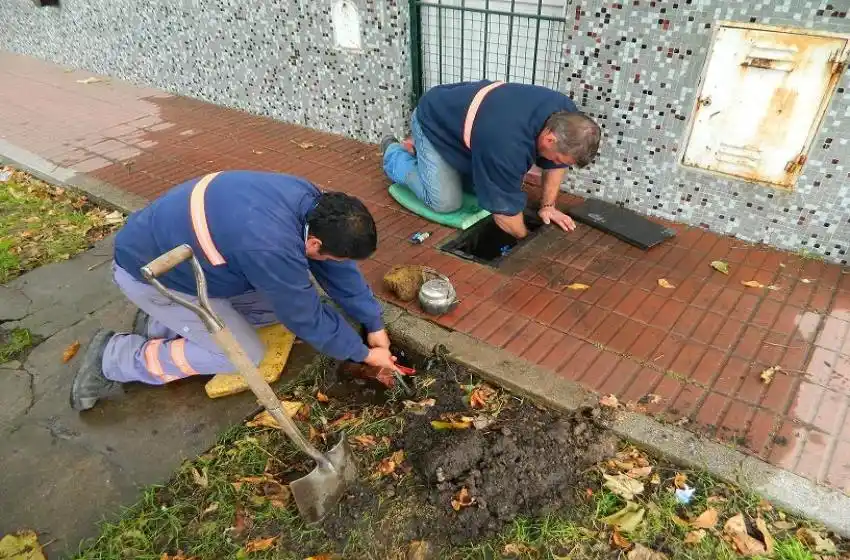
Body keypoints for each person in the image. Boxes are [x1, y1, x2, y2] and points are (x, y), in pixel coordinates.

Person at [70, 171, 398, 411]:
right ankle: (114, 357)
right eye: (333, 254)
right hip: (153, 274)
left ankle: (160, 323)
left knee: (275, 306)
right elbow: (305, 316)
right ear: (315, 243)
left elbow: (335, 265)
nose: (338, 262)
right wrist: (365, 354)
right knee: (243, 354)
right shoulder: (270, 246)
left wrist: (374, 324)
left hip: (185, 256)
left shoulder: (312, 203)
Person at [382, 80, 601, 239]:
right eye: (558, 157)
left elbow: (558, 162)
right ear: (550, 138)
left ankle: (429, 159)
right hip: (435, 122)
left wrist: (548, 206)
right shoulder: (507, 143)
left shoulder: (568, 118)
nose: (557, 162)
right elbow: (504, 215)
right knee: (445, 202)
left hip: (470, 128)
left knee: (481, 190)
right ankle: (395, 153)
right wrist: (527, 241)